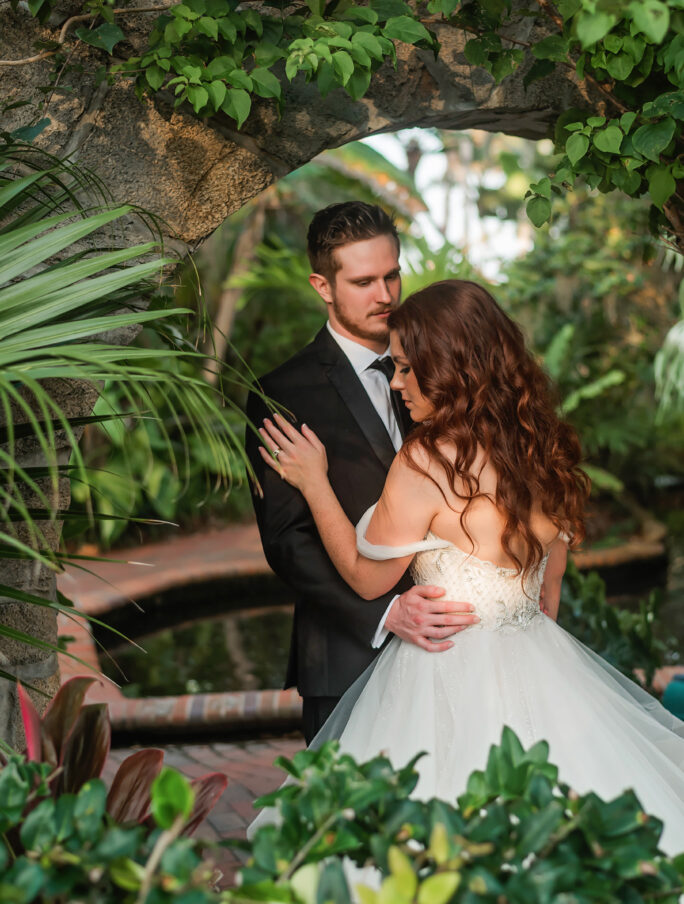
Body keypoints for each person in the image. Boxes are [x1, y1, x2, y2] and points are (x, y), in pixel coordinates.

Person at [258, 279, 684, 855]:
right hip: (543, 662)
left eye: (408, 369)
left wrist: (314, 484)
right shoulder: (545, 450)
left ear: (449, 367)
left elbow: (366, 576)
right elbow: (547, 600)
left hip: (442, 672)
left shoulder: (426, 459)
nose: (398, 383)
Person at [244, 204, 478, 744]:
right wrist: (386, 612)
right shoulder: (282, 393)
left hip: (460, 644)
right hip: (349, 652)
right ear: (322, 285)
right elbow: (286, 540)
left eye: (392, 274)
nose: (386, 295)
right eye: (364, 281)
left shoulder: (443, 364)